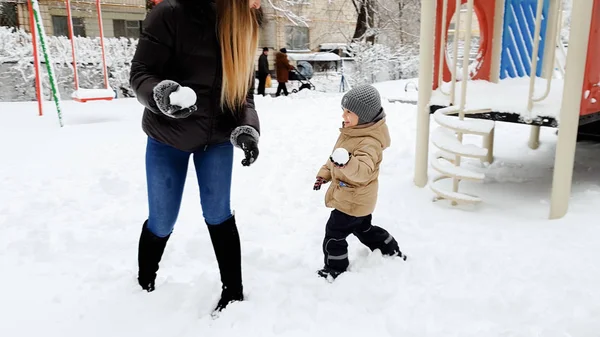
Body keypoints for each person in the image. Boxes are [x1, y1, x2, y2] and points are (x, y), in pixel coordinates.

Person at [129, 0, 262, 313]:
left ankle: (234, 294)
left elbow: (245, 96)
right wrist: (160, 95)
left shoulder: (245, 23)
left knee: (219, 214)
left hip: (216, 140)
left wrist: (247, 127)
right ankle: (143, 282)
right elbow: (140, 73)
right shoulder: (171, 14)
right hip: (168, 136)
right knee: (162, 221)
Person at [313, 84, 407, 280]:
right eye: (343, 110)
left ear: (363, 116)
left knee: (334, 233)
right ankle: (389, 247)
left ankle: (335, 268)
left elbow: (362, 171)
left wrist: (346, 162)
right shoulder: (352, 132)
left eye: (349, 112)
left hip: (352, 200)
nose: (343, 116)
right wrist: (324, 174)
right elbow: (334, 158)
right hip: (359, 200)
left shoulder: (369, 142)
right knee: (363, 229)